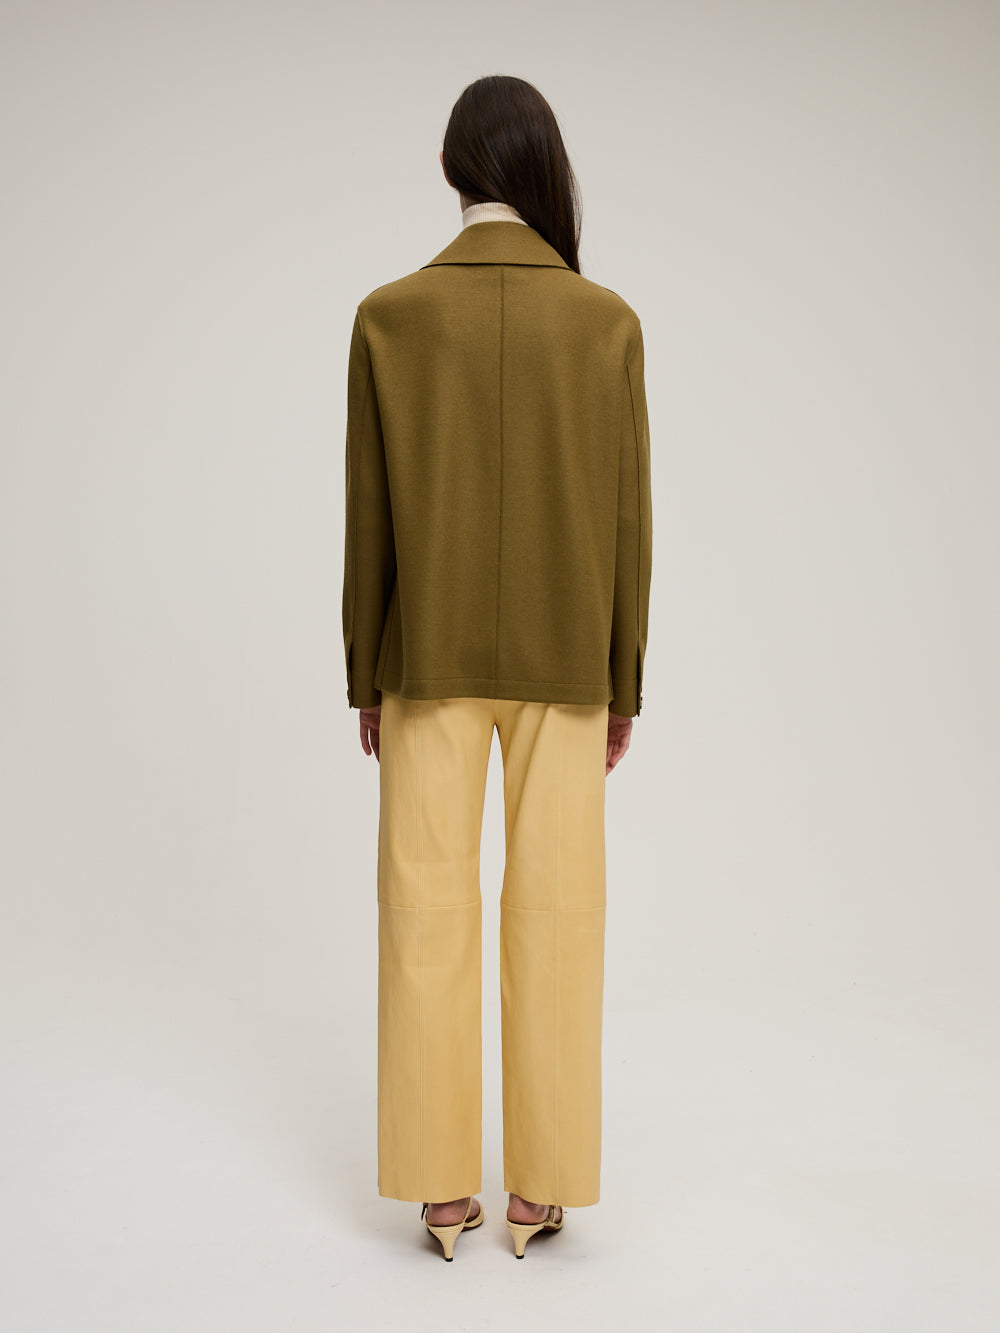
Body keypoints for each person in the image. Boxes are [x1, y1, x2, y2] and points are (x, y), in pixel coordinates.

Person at [342, 74, 652, 1260]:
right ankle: (539, 1189)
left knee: (424, 906)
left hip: (425, 654)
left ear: (450, 170)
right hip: (568, 658)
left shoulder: (390, 316)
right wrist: (623, 680)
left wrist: (366, 671)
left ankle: (438, 1192)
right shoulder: (605, 322)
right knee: (559, 912)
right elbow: (629, 522)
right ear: (542, 170)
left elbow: (368, 514)